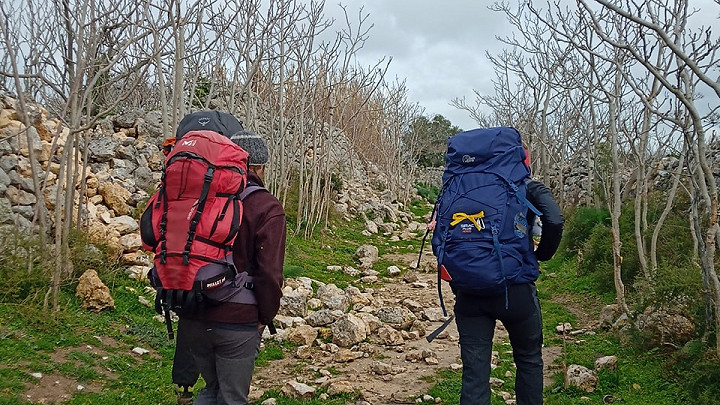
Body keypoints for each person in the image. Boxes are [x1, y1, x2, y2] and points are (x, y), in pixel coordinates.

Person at [176, 128, 286, 405]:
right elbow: (269, 274)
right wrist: (266, 315)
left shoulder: (197, 197)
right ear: (260, 166)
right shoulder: (266, 206)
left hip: (192, 311)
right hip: (237, 321)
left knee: (211, 389)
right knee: (232, 397)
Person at [453, 158, 563, 404]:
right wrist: (541, 256)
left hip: (470, 293)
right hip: (517, 289)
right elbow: (555, 221)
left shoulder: (461, 186)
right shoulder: (527, 186)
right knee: (528, 359)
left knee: (474, 372)